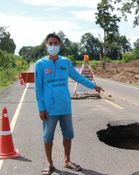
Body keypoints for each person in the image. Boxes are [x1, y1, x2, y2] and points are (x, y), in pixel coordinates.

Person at [35, 33, 104, 175]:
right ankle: (50, 164)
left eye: (56, 43)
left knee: (68, 135)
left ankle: (67, 161)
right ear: (46, 45)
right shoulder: (40, 64)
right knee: (48, 137)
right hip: (49, 109)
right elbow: (38, 88)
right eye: (51, 43)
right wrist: (41, 108)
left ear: (60, 45)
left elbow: (77, 76)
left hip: (65, 107)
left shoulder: (65, 62)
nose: (53, 46)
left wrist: (93, 86)